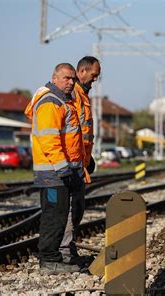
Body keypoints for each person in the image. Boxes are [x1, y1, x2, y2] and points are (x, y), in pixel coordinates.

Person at [25, 63, 84, 274]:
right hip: (53, 173)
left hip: (61, 171)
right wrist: (62, 168)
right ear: (55, 77)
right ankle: (48, 260)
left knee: (60, 214)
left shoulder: (63, 102)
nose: (71, 82)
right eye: (67, 78)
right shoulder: (51, 103)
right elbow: (49, 139)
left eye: (73, 79)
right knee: (54, 216)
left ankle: (54, 257)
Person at [59, 56, 101, 267]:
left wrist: (87, 159)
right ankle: (64, 252)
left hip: (80, 162)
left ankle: (69, 249)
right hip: (71, 162)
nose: (95, 80)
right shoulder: (73, 93)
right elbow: (72, 131)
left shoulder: (82, 94)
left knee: (77, 208)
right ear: (82, 71)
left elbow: (83, 133)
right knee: (70, 208)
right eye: (93, 75)